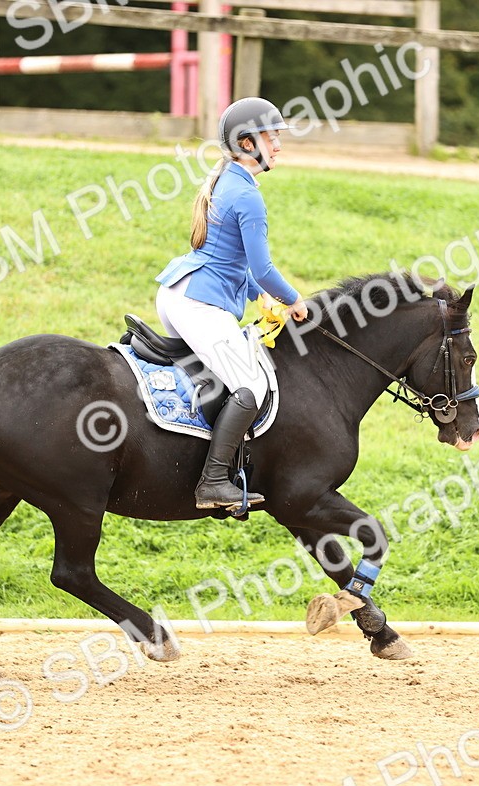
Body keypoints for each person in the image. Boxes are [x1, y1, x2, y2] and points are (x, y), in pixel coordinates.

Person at [155, 97, 309, 510]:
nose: (277, 145)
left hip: (177, 293)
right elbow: (262, 268)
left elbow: (231, 260)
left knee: (222, 376)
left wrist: (261, 299)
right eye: (270, 136)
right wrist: (294, 301)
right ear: (246, 142)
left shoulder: (228, 180)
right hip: (198, 304)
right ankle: (213, 481)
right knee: (251, 386)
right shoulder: (248, 197)